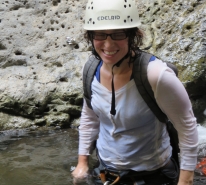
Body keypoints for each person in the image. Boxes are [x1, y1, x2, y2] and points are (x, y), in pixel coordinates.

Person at [72, 0, 198, 184]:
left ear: (132, 35)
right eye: (100, 35)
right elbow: (90, 117)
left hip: (152, 176)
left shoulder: (156, 75)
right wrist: (82, 162)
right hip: (106, 173)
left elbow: (187, 127)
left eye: (118, 34)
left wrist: (185, 181)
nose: (108, 45)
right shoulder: (91, 69)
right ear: (90, 36)